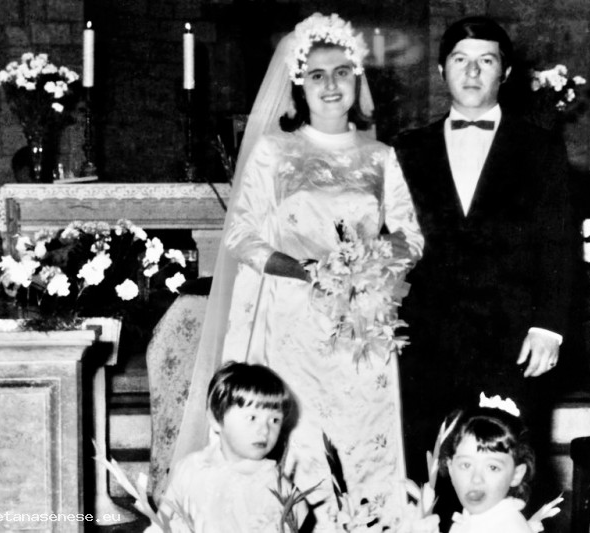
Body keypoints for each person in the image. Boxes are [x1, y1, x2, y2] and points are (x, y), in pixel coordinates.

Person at [168, 13, 424, 529]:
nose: (331, 85)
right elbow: (242, 236)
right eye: (317, 75)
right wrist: (305, 270)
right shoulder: (274, 152)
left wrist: (369, 264)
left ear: (358, 80)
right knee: (299, 441)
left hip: (360, 325)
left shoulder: (381, 157)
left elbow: (409, 236)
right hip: (292, 323)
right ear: (298, 85)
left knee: (364, 439)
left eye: (342, 73)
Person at [393, 15, 579, 505]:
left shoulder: (539, 147)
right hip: (427, 340)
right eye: (460, 60)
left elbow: (558, 242)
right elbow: (389, 242)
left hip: (513, 341)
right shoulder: (407, 149)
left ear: (506, 73)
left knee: (506, 471)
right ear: (441, 71)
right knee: (429, 468)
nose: (472, 72)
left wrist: (549, 326)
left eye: (486, 61)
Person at [149, 361, 304, 532]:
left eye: (274, 420)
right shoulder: (191, 468)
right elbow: (161, 521)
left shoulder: (272, 483)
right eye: (252, 418)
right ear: (216, 419)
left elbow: (299, 516)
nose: (265, 430)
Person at [438, 395, 536, 533]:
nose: (476, 479)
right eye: (466, 465)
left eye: (492, 467)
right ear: (451, 469)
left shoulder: (510, 527)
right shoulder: (470, 521)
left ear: (516, 474)